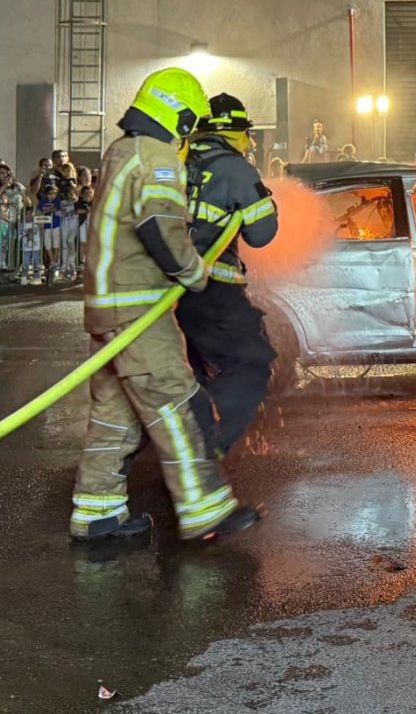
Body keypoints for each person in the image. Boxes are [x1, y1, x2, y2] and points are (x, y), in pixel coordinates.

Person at [70, 67, 256, 543]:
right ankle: (205, 510)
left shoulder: (120, 152)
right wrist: (195, 274)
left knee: (115, 413)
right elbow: (160, 225)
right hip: (138, 309)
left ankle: (97, 514)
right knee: (177, 402)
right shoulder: (156, 157)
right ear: (181, 117)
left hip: (107, 306)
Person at [178, 93, 281, 458]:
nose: (250, 141)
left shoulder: (178, 161)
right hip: (214, 291)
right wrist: (265, 204)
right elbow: (262, 233)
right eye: (246, 133)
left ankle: (187, 439)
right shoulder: (235, 169)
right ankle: (203, 449)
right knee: (254, 363)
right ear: (231, 131)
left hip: (171, 294)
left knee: (189, 374)